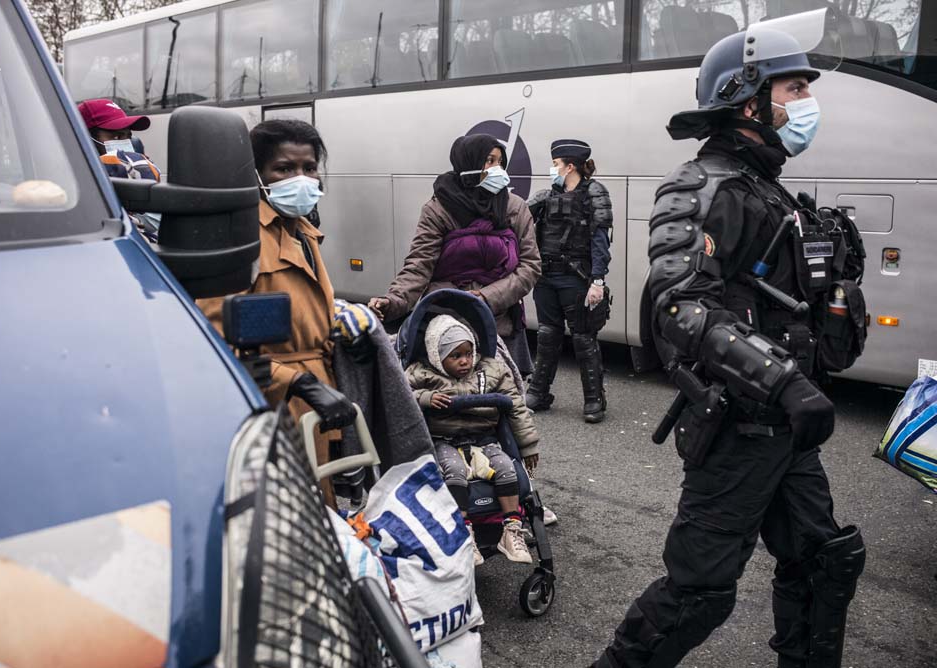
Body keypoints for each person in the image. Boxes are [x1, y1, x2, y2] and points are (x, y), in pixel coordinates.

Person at [595, 17, 866, 668]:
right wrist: (782, 382)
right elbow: (679, 306)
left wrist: (837, 277)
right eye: (794, 88)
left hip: (787, 432)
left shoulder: (769, 190)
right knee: (699, 594)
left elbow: (791, 315)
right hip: (740, 429)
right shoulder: (701, 187)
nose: (807, 103)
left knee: (824, 560)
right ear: (749, 101)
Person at [197, 119, 356, 508]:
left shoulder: (302, 230)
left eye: (309, 168)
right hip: (272, 411)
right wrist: (299, 383)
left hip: (320, 406)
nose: (300, 179)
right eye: (284, 169)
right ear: (256, 174)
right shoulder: (241, 236)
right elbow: (215, 343)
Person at [367, 134, 541, 376]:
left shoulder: (514, 207)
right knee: (449, 404)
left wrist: (486, 297)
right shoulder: (438, 208)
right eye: (489, 161)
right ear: (468, 163)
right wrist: (393, 301)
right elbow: (419, 265)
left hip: (498, 323)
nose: (496, 169)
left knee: (501, 400)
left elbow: (530, 266)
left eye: (500, 162)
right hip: (447, 323)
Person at [406, 314, 538, 566]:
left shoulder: (491, 370)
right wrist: (424, 397)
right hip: (443, 440)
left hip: (484, 439)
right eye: (455, 356)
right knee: (454, 471)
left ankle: (511, 529)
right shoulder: (421, 373)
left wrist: (528, 445)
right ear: (437, 355)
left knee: (507, 469)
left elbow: (517, 407)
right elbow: (398, 395)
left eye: (468, 353)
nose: (465, 361)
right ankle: (464, 533)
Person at [525, 139, 613, 422]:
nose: (552, 169)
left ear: (570, 165)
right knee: (547, 335)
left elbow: (600, 241)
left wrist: (597, 280)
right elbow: (518, 222)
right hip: (547, 278)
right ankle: (538, 392)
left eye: (556, 164)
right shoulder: (545, 196)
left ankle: (593, 399)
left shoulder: (594, 193)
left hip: (576, 278)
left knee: (583, 338)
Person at [77, 99, 161, 181]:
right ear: (85, 139)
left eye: (128, 136)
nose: (125, 142)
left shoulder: (137, 171)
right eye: (116, 137)